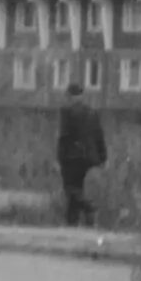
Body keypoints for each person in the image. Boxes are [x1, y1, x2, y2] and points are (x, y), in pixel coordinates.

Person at [56, 81, 107, 228]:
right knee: (77, 188)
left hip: (72, 158)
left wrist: (59, 158)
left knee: (71, 189)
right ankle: (73, 221)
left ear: (70, 96)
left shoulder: (67, 112)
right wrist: (103, 157)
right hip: (90, 158)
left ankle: (88, 208)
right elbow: (99, 136)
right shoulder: (92, 112)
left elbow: (64, 137)